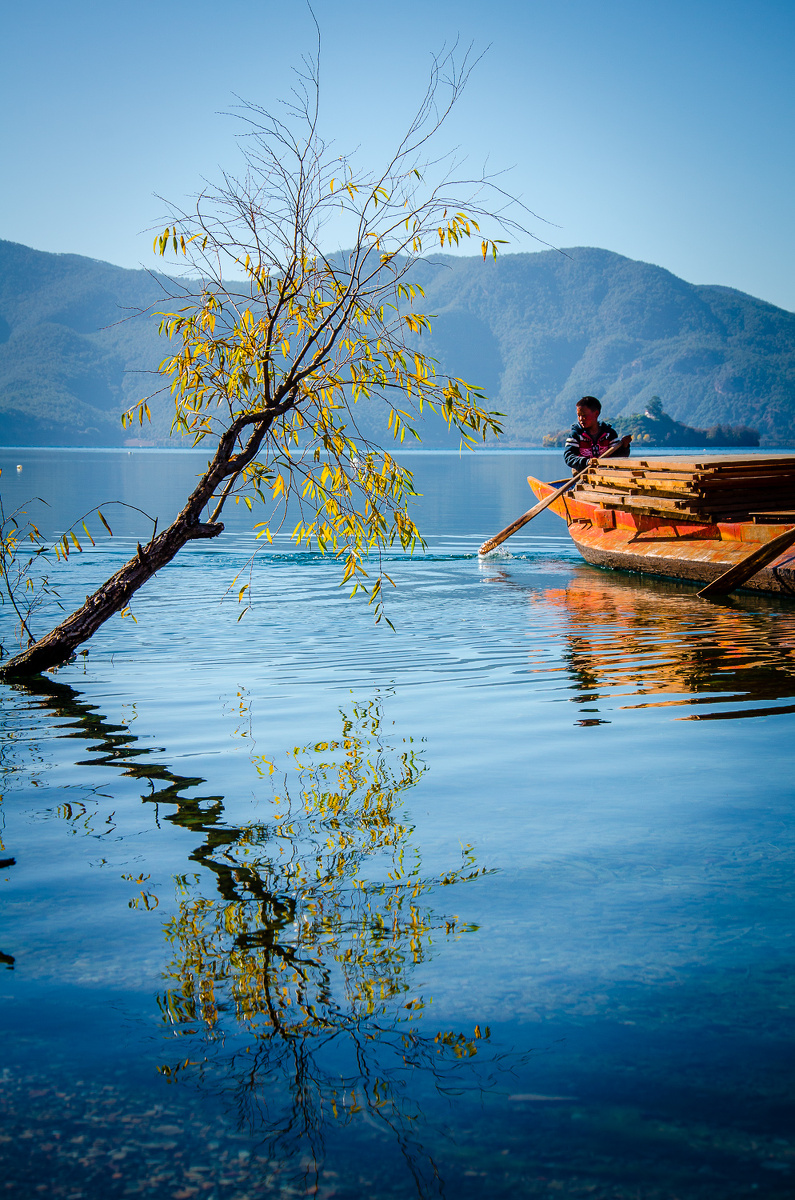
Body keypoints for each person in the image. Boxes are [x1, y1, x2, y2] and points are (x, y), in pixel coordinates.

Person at [563, 396, 631, 474]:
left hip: (606, 475)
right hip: (582, 475)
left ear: (596, 414)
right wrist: (587, 462)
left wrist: (625, 446)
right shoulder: (576, 434)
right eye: (579, 415)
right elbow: (569, 457)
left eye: (584, 415)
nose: (581, 419)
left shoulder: (609, 433)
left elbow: (618, 457)